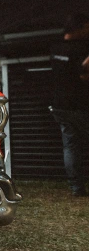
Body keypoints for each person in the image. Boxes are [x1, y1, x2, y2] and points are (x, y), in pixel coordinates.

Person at [50, 13, 89, 197]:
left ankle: (76, 188)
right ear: (79, 27)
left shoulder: (56, 48)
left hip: (59, 104)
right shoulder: (80, 48)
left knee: (70, 145)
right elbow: (83, 75)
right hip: (78, 104)